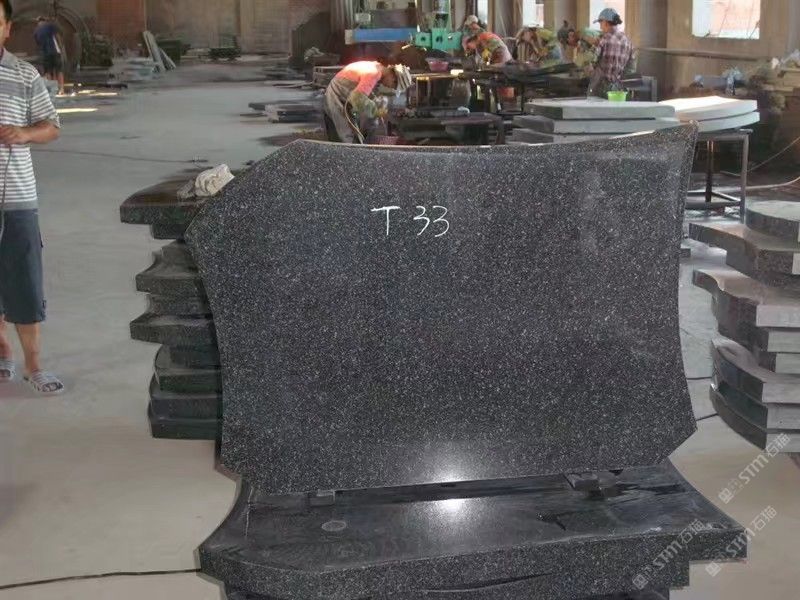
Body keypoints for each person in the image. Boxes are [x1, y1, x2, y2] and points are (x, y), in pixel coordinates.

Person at [0, 0, 63, 394]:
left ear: (7, 28)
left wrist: (24, 134)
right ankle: (2, 352)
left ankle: (34, 364)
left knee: (24, 280)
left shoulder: (24, 74)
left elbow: (51, 126)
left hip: (17, 196)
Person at [323, 61, 412, 143]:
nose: (390, 87)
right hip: (337, 95)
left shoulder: (377, 67)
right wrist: (375, 111)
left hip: (341, 94)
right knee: (348, 138)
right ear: (393, 78)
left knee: (346, 135)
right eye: (393, 86)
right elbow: (357, 99)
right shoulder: (373, 73)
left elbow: (363, 92)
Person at [587, 7, 633, 97]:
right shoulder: (628, 42)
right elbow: (631, 69)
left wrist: (590, 46)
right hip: (618, 90)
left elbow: (590, 61)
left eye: (600, 23)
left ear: (606, 23)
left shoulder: (603, 39)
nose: (600, 27)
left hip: (600, 88)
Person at [33, 15, 64, 95]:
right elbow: (58, 35)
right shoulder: (50, 26)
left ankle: (52, 90)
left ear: (38, 22)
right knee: (59, 70)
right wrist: (60, 47)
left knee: (48, 72)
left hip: (45, 54)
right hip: (55, 51)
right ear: (44, 21)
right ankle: (61, 89)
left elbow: (38, 43)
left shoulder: (36, 31)